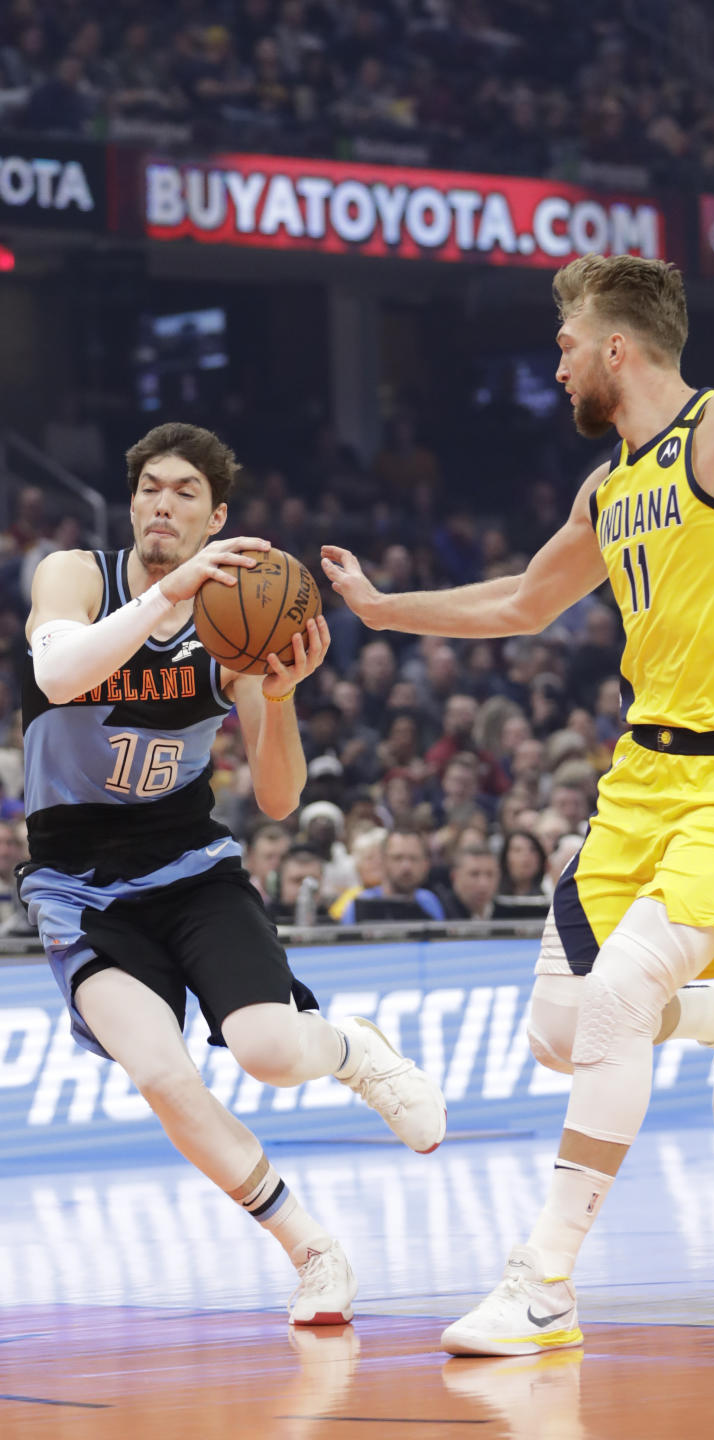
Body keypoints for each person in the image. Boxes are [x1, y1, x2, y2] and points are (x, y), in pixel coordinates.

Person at [322, 120, 714, 1357]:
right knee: (560, 1032)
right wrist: (390, 609)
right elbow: (521, 602)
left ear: (616, 346)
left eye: (561, 345)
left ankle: (544, 1281)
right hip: (640, 781)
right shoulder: (607, 490)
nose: (553, 368)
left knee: (613, 1006)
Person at [18, 421, 446, 1330]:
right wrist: (166, 595)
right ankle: (312, 1250)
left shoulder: (234, 626)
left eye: (182, 494)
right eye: (149, 489)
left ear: (217, 517)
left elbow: (282, 798)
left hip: (187, 861)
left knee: (270, 1052)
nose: (160, 505)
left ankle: (352, 1050)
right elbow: (56, 676)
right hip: (76, 879)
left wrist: (279, 695)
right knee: (165, 1078)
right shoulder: (76, 576)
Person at [337, 827, 444, 922]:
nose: (406, 866)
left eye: (413, 858)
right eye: (398, 858)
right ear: (383, 861)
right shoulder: (360, 905)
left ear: (425, 864)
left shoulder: (429, 902)